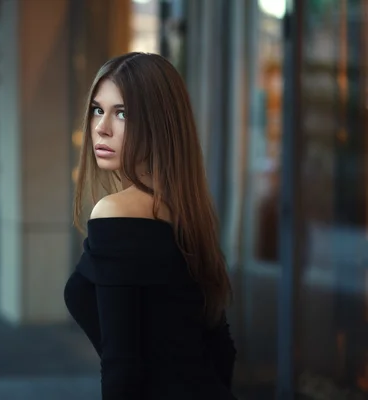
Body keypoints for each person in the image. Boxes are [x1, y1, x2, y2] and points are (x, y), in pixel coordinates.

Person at [63, 52, 237, 399]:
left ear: (159, 123)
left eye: (122, 113)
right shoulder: (187, 210)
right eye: (98, 109)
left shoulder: (116, 212)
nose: (102, 127)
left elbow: (121, 368)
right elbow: (221, 350)